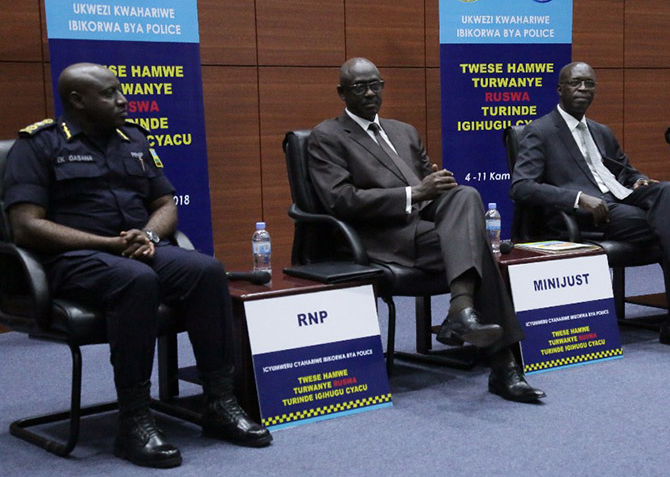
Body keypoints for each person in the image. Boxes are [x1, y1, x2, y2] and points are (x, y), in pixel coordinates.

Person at [2, 63, 271, 468]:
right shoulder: (39, 145)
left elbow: (164, 204)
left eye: (120, 91)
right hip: (71, 260)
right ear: (77, 100)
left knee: (207, 270)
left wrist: (146, 236)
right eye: (109, 93)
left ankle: (219, 402)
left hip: (134, 248)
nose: (123, 99)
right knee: (136, 280)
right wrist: (108, 243)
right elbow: (25, 226)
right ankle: (135, 420)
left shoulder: (135, 140)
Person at [307, 57, 544, 403]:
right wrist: (415, 192)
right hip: (379, 235)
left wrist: (437, 186)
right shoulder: (326, 136)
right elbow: (339, 200)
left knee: (465, 194)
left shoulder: (404, 131)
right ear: (342, 92)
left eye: (376, 84)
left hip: (426, 228)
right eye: (360, 87)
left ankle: (461, 313)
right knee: (476, 245)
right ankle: (503, 366)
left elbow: (428, 189)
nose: (371, 92)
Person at [511, 61, 670, 351]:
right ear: (560, 89)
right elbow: (521, 187)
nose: (583, 89)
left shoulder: (600, 131)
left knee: (667, 190)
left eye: (589, 84)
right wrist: (578, 199)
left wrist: (640, 180)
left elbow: (626, 171)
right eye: (575, 83)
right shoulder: (539, 131)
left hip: (620, 201)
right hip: (585, 214)